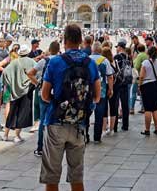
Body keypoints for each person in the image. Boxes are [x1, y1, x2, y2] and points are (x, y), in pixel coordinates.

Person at [40, 23, 101, 191]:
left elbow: (44, 95)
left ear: (64, 40)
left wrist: (59, 102)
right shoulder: (90, 63)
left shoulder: (55, 62)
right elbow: (97, 96)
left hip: (55, 122)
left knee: (52, 177)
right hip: (79, 124)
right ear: (81, 41)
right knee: (76, 176)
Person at [28, 40, 60, 157]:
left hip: (43, 92)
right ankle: (54, 147)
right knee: (56, 120)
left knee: (43, 120)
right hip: (57, 93)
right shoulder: (60, 60)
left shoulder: (43, 61)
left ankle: (40, 147)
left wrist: (37, 84)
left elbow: (30, 73)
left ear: (50, 49)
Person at [2, 44, 36, 142]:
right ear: (28, 52)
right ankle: (17, 136)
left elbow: (5, 73)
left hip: (14, 91)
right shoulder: (32, 62)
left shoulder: (14, 62)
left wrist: (10, 83)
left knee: (12, 113)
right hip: (27, 92)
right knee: (22, 114)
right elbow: (38, 73)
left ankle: (5, 135)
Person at [89, 41, 114, 142]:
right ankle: (97, 137)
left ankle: (85, 136)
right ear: (100, 50)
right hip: (101, 91)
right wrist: (110, 89)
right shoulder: (105, 60)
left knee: (86, 114)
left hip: (88, 92)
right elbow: (110, 77)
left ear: (92, 50)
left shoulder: (87, 59)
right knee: (99, 115)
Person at [138, 45, 157, 136]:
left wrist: (139, 86)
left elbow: (141, 76)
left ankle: (147, 129)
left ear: (148, 53)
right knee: (155, 108)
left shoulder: (145, 63)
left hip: (146, 85)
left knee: (147, 109)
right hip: (155, 85)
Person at [114, 40, 131, 131]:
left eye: (117, 47)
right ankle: (125, 125)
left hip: (118, 82)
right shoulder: (129, 57)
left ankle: (115, 125)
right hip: (126, 82)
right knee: (125, 105)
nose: (116, 49)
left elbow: (114, 69)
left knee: (116, 104)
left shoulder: (116, 57)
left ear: (120, 47)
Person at [131, 43, 147, 114]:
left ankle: (131, 108)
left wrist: (134, 60)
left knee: (134, 92)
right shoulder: (146, 55)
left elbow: (136, 67)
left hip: (138, 77)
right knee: (143, 93)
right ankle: (143, 107)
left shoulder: (139, 56)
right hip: (145, 77)